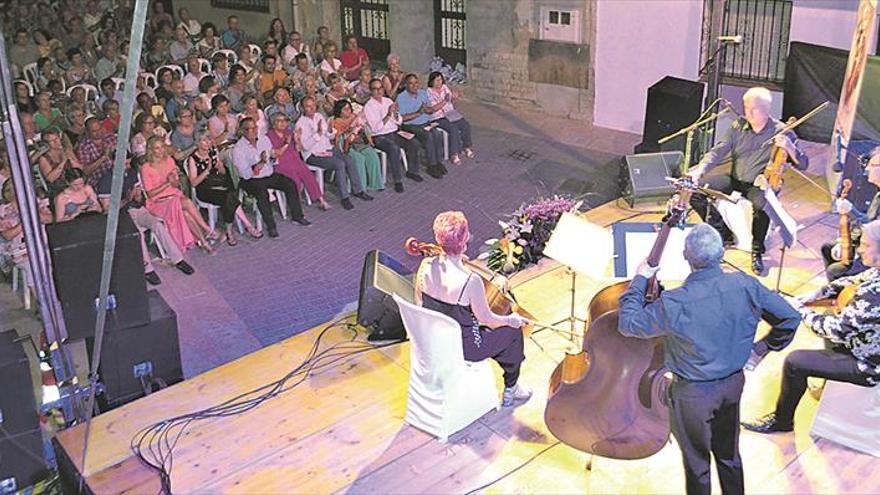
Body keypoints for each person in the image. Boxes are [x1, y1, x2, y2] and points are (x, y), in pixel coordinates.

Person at [618, 223, 801, 495]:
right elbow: (790, 317)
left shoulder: (675, 302)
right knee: (729, 455)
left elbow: (629, 323)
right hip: (732, 386)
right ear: (721, 253)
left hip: (692, 394)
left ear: (685, 256)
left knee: (697, 464)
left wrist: (641, 278)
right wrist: (760, 350)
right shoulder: (746, 284)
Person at [742, 219, 880, 435]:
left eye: (865, 245)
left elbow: (835, 329)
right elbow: (847, 282)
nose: (859, 250)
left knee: (795, 362)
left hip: (869, 364)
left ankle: (782, 422)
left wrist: (800, 311)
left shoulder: (874, 294)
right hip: (865, 341)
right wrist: (808, 298)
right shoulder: (875, 273)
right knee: (829, 311)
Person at [687, 87, 809, 275]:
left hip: (759, 184)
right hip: (735, 179)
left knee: (762, 205)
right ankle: (723, 233)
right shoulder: (738, 126)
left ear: (767, 109)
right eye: (746, 107)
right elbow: (718, 151)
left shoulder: (782, 132)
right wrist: (701, 169)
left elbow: (803, 164)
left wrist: (790, 147)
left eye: (755, 108)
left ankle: (756, 251)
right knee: (696, 193)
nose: (749, 112)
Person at [413, 211, 531, 407]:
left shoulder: (425, 265)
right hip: (467, 349)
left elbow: (420, 304)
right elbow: (487, 320)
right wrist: (512, 319)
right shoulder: (470, 280)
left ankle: (508, 378)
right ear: (465, 239)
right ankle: (512, 388)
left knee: (494, 333)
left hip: (436, 340)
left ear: (437, 238)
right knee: (512, 334)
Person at [232, 117, 310, 238]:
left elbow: (273, 160)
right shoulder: (238, 149)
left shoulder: (264, 139)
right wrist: (261, 163)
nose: (253, 131)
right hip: (251, 180)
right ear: (242, 131)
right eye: (249, 129)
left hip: (268, 174)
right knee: (262, 194)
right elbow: (245, 174)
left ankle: (297, 216)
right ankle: (271, 226)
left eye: (255, 128)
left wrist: (273, 156)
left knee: (290, 183)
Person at [141, 136, 217, 253]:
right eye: (157, 148)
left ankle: (204, 242)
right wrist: (167, 183)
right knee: (186, 202)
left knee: (186, 213)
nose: (161, 151)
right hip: (158, 202)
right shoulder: (146, 168)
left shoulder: (170, 160)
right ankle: (207, 229)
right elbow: (150, 194)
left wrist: (174, 180)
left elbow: (176, 185)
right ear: (151, 150)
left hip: (174, 196)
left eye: (162, 147)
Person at [295, 97, 372, 211]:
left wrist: (330, 130)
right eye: (308, 106)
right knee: (339, 164)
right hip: (313, 154)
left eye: (313, 105)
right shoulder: (300, 124)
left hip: (328, 148)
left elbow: (329, 136)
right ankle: (344, 197)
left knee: (349, 160)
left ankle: (358, 190)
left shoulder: (319, 116)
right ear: (302, 108)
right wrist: (318, 133)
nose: (311, 109)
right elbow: (305, 146)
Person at [187, 131, 262, 246]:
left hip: (219, 184)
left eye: (209, 139)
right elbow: (193, 183)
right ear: (197, 143)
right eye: (204, 140)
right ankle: (247, 226)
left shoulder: (213, 151)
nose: (208, 143)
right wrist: (207, 170)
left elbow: (222, 172)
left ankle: (231, 230)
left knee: (229, 196)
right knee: (229, 196)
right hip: (205, 189)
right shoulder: (193, 159)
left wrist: (219, 166)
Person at [821, 146, 880, 281]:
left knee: (835, 270)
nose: (866, 169)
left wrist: (851, 211)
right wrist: (845, 240)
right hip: (868, 241)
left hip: (875, 252)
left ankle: (841, 293)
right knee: (827, 248)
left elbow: (874, 229)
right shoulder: (877, 191)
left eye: (872, 165)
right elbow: (868, 219)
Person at [363, 77, 422, 193]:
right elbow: (375, 128)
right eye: (375, 89)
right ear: (371, 91)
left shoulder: (388, 101)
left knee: (414, 143)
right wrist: (388, 115)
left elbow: (399, 121)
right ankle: (398, 180)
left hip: (394, 132)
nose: (379, 91)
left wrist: (395, 114)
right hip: (379, 136)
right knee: (394, 149)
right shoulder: (368, 106)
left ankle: (412, 172)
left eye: (380, 88)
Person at [396, 74, 446, 179]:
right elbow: (402, 118)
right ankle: (431, 165)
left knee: (436, 134)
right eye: (411, 83)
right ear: (406, 85)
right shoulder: (401, 98)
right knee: (427, 136)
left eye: (416, 83)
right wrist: (418, 113)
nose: (414, 86)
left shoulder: (422, 93)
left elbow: (428, 109)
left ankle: (438, 162)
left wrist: (428, 110)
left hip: (425, 122)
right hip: (410, 125)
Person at [330, 99, 383, 191]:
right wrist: (351, 128)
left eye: (349, 108)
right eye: (345, 109)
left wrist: (361, 127)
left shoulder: (355, 117)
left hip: (359, 142)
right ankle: (361, 188)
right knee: (359, 159)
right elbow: (338, 137)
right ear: (339, 111)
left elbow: (364, 129)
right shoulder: (335, 122)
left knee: (372, 155)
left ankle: (376, 184)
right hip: (346, 146)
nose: (348, 111)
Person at [426, 71, 474, 166]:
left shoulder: (444, 88)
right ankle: (454, 154)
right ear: (432, 82)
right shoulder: (428, 92)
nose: (439, 82)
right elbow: (433, 109)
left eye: (441, 80)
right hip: (438, 117)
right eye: (437, 80)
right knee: (453, 129)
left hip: (450, 113)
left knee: (465, 125)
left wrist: (454, 98)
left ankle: (466, 147)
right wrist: (445, 101)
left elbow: (451, 101)